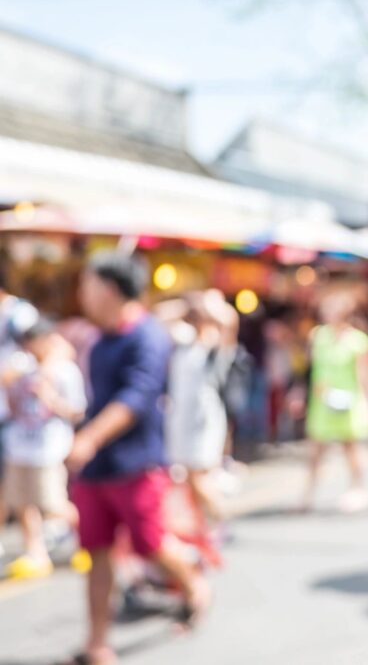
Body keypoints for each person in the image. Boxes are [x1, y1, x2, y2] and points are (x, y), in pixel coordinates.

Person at [65, 251, 209, 665]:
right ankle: (97, 644)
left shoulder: (148, 336)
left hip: (137, 463)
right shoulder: (99, 338)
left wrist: (90, 436)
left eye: (87, 283)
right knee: (97, 555)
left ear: (108, 289)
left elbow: (136, 396)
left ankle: (194, 584)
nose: (82, 293)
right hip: (96, 469)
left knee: (150, 546)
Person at [2, 317, 86, 579]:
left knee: (52, 503)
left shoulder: (65, 370)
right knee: (23, 502)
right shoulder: (23, 365)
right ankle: (35, 553)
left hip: (48, 447)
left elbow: (76, 411)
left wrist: (50, 396)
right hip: (20, 445)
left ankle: (90, 538)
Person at [165, 292, 235, 521]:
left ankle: (222, 520)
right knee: (187, 478)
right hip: (180, 417)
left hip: (202, 418)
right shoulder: (182, 343)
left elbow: (230, 320)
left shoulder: (214, 347)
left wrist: (208, 304)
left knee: (199, 477)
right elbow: (156, 316)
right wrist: (186, 304)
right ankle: (204, 528)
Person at [304, 292, 368, 513]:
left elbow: (365, 374)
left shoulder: (358, 340)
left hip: (348, 401)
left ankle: (358, 488)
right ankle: (308, 495)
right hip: (321, 402)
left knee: (350, 447)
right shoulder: (318, 336)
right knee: (316, 450)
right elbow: (310, 369)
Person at [0, 282, 39, 559]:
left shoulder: (20, 314)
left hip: (17, 416)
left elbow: (39, 350)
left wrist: (11, 374)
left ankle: (36, 546)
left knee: (16, 484)